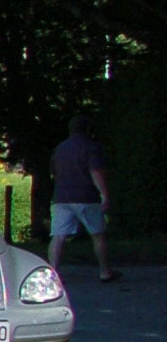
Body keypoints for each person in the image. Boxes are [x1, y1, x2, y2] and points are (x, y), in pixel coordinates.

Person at [48, 114, 120, 284]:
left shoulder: (60, 148)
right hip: (86, 197)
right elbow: (95, 172)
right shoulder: (91, 147)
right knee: (97, 234)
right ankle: (104, 271)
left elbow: (53, 173)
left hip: (62, 197)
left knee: (58, 236)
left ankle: (52, 273)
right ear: (88, 129)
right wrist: (105, 194)